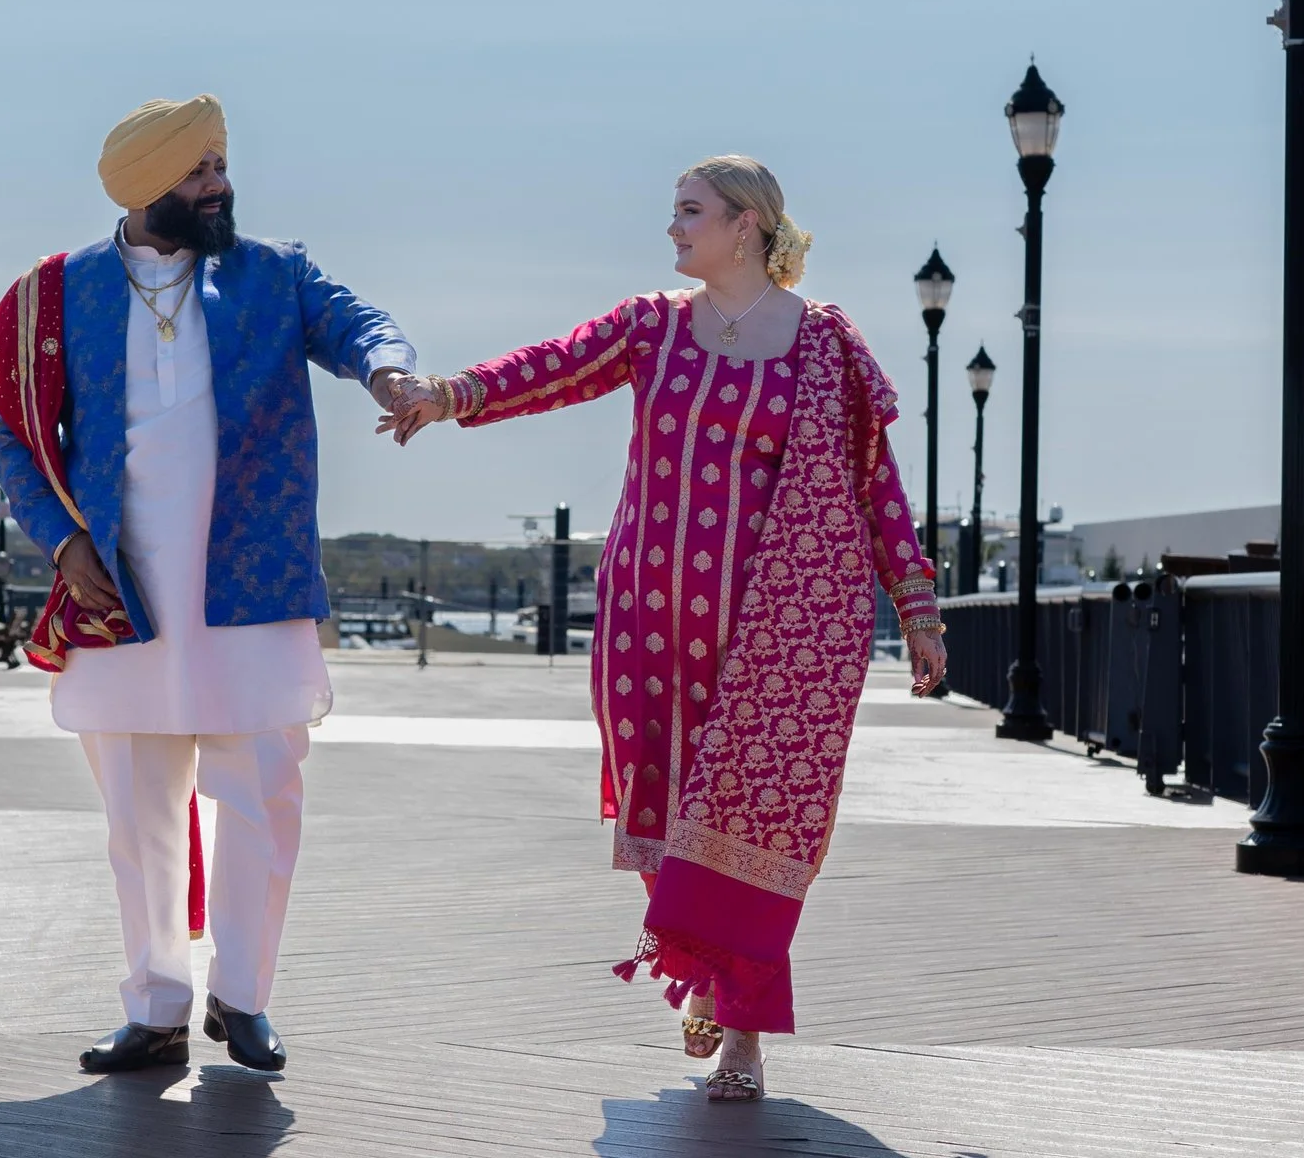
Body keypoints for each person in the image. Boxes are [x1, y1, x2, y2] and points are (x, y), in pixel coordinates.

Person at [387, 155, 943, 1099]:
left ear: (748, 226)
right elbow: (551, 368)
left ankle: (743, 1033)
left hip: (775, 639)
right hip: (647, 623)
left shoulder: (825, 347)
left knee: (753, 820)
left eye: (691, 212)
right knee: (669, 813)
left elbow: (871, 482)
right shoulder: (651, 327)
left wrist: (916, 604)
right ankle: (704, 974)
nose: (674, 229)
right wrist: (451, 395)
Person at [0, 93, 419, 1077]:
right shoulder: (56, 294)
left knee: (263, 799)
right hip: (122, 594)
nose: (219, 183)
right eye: (199, 170)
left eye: (220, 163)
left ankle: (243, 999)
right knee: (137, 812)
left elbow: (358, 324)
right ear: (147, 187)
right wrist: (61, 544)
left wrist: (389, 369)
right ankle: (154, 1004)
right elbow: (11, 430)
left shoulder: (273, 272)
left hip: (252, 583)